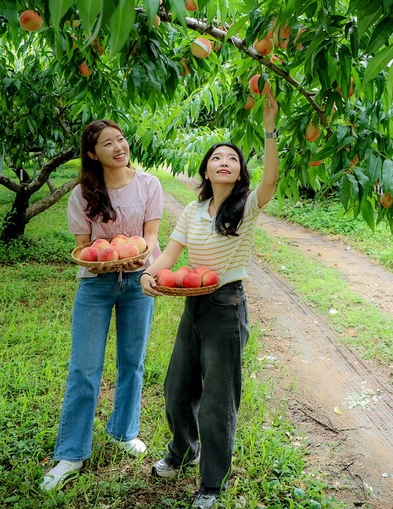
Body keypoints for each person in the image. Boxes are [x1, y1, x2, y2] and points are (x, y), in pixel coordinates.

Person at [140, 93, 279, 509]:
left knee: (218, 399)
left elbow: (270, 180)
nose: (223, 161)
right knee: (176, 388)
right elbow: (170, 255)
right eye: (216, 157)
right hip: (192, 304)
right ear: (205, 168)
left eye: (232, 159)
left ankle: (212, 484)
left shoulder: (247, 207)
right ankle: (184, 449)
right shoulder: (192, 210)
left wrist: (269, 126)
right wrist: (150, 273)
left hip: (226, 307)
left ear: (239, 173)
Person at [42, 120, 163, 491]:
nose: (118, 147)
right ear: (93, 153)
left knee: (133, 361)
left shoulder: (149, 185)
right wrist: (107, 261)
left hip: (138, 280)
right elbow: (84, 247)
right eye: (107, 143)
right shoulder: (83, 193)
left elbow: (151, 235)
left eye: (121, 139)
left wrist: (137, 256)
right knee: (84, 367)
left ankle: (125, 431)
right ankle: (72, 452)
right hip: (96, 283)